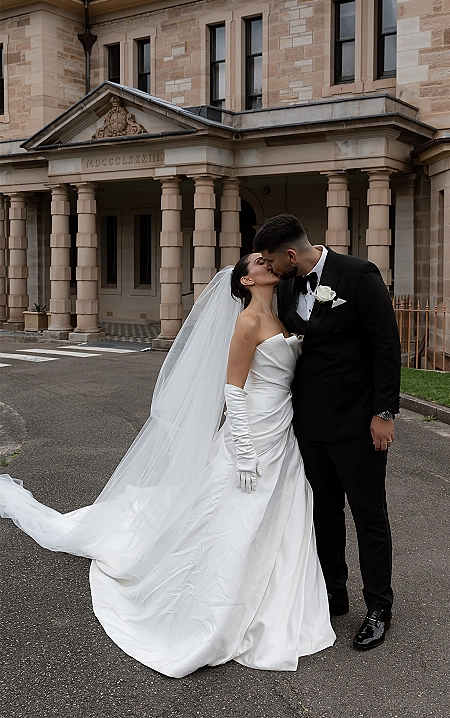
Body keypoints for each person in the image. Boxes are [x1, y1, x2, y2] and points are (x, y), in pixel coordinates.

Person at [0, 256, 335, 676]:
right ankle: (215, 608)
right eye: (259, 261)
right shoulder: (248, 322)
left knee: (282, 515)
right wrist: (245, 453)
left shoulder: (285, 313)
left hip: (282, 429)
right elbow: (232, 391)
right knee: (231, 518)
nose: (268, 262)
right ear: (248, 280)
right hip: (251, 435)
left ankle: (277, 599)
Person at [254, 214, 401, 651]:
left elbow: (385, 347)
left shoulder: (357, 275)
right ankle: (333, 594)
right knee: (323, 513)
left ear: (292, 255)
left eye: (272, 260)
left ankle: (378, 606)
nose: (271, 268)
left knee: (368, 514)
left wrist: (384, 413)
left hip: (359, 423)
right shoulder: (284, 286)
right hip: (308, 425)